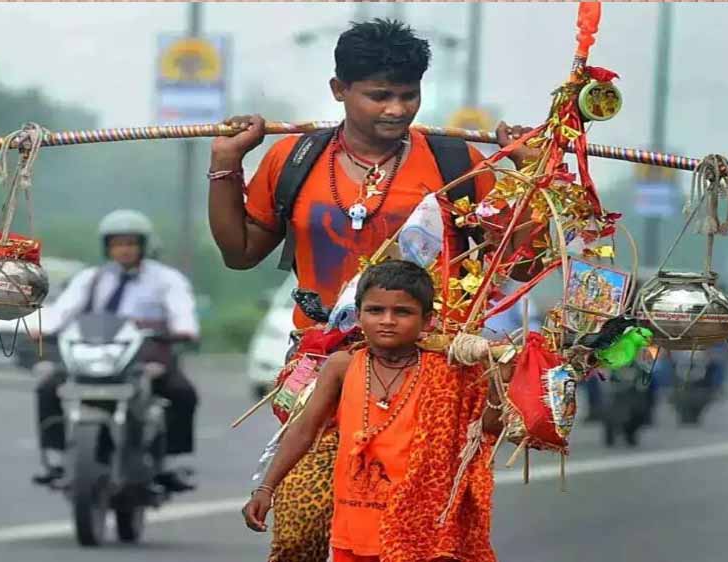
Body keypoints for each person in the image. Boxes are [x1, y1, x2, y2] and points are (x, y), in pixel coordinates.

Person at [207, 18, 535, 561]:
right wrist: (225, 164)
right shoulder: (292, 160)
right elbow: (240, 253)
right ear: (339, 91)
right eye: (379, 95)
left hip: (429, 371)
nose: (397, 109)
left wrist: (526, 175)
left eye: (409, 95)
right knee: (303, 533)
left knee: (417, 534)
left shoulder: (457, 163)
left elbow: (520, 266)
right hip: (322, 363)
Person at [242, 260, 501, 562]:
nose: (387, 320)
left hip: (421, 533)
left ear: (427, 320)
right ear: (359, 314)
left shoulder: (449, 371)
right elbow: (304, 429)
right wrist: (266, 488)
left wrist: (498, 381)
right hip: (353, 529)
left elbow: (486, 431)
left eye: (402, 312)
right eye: (375, 310)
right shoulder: (343, 365)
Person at [31, 209, 200, 493]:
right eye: (118, 244)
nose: (124, 250)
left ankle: (172, 463)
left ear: (143, 246)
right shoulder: (91, 278)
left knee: (183, 393)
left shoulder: (165, 279)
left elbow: (181, 310)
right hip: (95, 354)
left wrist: (184, 329)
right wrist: (43, 329)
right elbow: (64, 310)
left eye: (131, 243)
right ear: (107, 247)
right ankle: (56, 458)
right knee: (48, 387)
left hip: (146, 355)